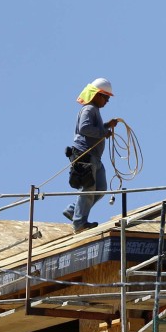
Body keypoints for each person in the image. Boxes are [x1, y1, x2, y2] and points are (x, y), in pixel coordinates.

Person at [64, 78, 117, 233]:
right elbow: (85, 128)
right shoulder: (89, 109)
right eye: (105, 97)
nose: (107, 101)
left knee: (100, 188)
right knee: (89, 188)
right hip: (86, 154)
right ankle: (79, 223)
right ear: (97, 95)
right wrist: (103, 132)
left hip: (95, 157)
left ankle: (73, 211)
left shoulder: (95, 110)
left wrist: (107, 126)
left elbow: (92, 128)